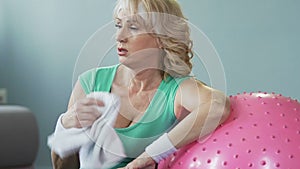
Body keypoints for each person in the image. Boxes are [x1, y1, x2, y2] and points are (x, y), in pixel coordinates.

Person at [50, 0, 231, 168]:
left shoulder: (175, 89)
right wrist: (65, 126)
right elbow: (63, 167)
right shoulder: (90, 83)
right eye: (118, 25)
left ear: (162, 37)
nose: (119, 36)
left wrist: (149, 156)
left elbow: (218, 106)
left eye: (133, 27)